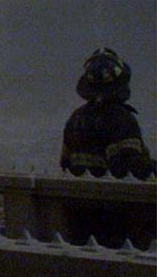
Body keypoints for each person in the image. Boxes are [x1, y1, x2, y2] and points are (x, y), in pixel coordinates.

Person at [60, 48, 155, 180]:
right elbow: (132, 169)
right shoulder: (121, 119)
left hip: (80, 196)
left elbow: (65, 164)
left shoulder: (75, 119)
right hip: (113, 198)